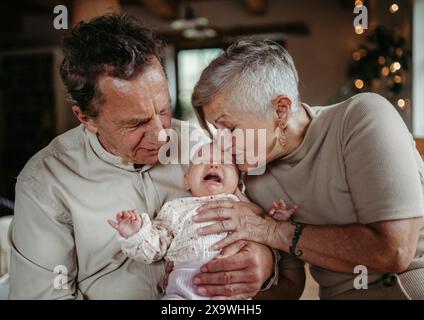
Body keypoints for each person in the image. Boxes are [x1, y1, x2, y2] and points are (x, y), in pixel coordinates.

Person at [7, 16, 279, 299]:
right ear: (86, 118)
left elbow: (261, 223)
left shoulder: (204, 149)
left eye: (163, 110)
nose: (162, 135)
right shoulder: (45, 180)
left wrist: (264, 260)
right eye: (136, 124)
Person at [191, 39, 424, 299]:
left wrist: (271, 230)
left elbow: (394, 252)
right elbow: (291, 285)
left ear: (280, 110)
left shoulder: (362, 117)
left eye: (230, 128)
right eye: (216, 131)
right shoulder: (254, 177)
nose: (220, 145)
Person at [107, 143, 302, 299]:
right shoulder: (176, 209)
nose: (213, 165)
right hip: (183, 285)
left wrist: (278, 221)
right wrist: (135, 232)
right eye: (203, 160)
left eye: (224, 162)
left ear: (239, 184)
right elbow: (154, 249)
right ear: (186, 180)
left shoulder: (248, 209)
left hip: (232, 288)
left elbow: (270, 238)